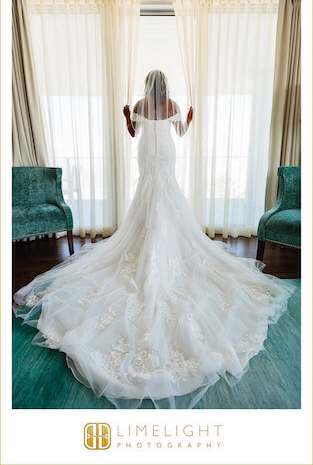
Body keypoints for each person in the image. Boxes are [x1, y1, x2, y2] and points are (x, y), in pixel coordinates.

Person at [13, 70, 296, 409]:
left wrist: (128, 118)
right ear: (164, 87)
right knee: (159, 194)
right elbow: (178, 131)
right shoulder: (164, 103)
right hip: (159, 156)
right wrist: (180, 119)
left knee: (155, 196)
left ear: (150, 87)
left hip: (152, 155)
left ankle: (154, 245)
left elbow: (135, 134)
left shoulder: (142, 105)